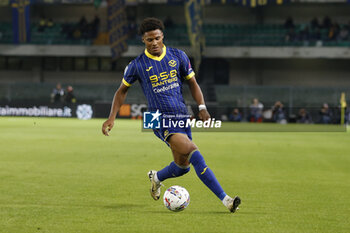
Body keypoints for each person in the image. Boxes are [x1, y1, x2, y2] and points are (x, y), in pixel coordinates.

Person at [101, 17, 241, 213]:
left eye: (157, 38)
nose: (154, 43)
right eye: (150, 40)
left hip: (181, 116)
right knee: (194, 153)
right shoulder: (137, 65)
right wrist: (111, 117)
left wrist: (202, 107)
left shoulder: (178, 56)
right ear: (143, 40)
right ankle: (226, 199)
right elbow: (121, 91)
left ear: (162, 36)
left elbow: (193, 83)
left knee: (183, 167)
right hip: (158, 119)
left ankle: (157, 178)